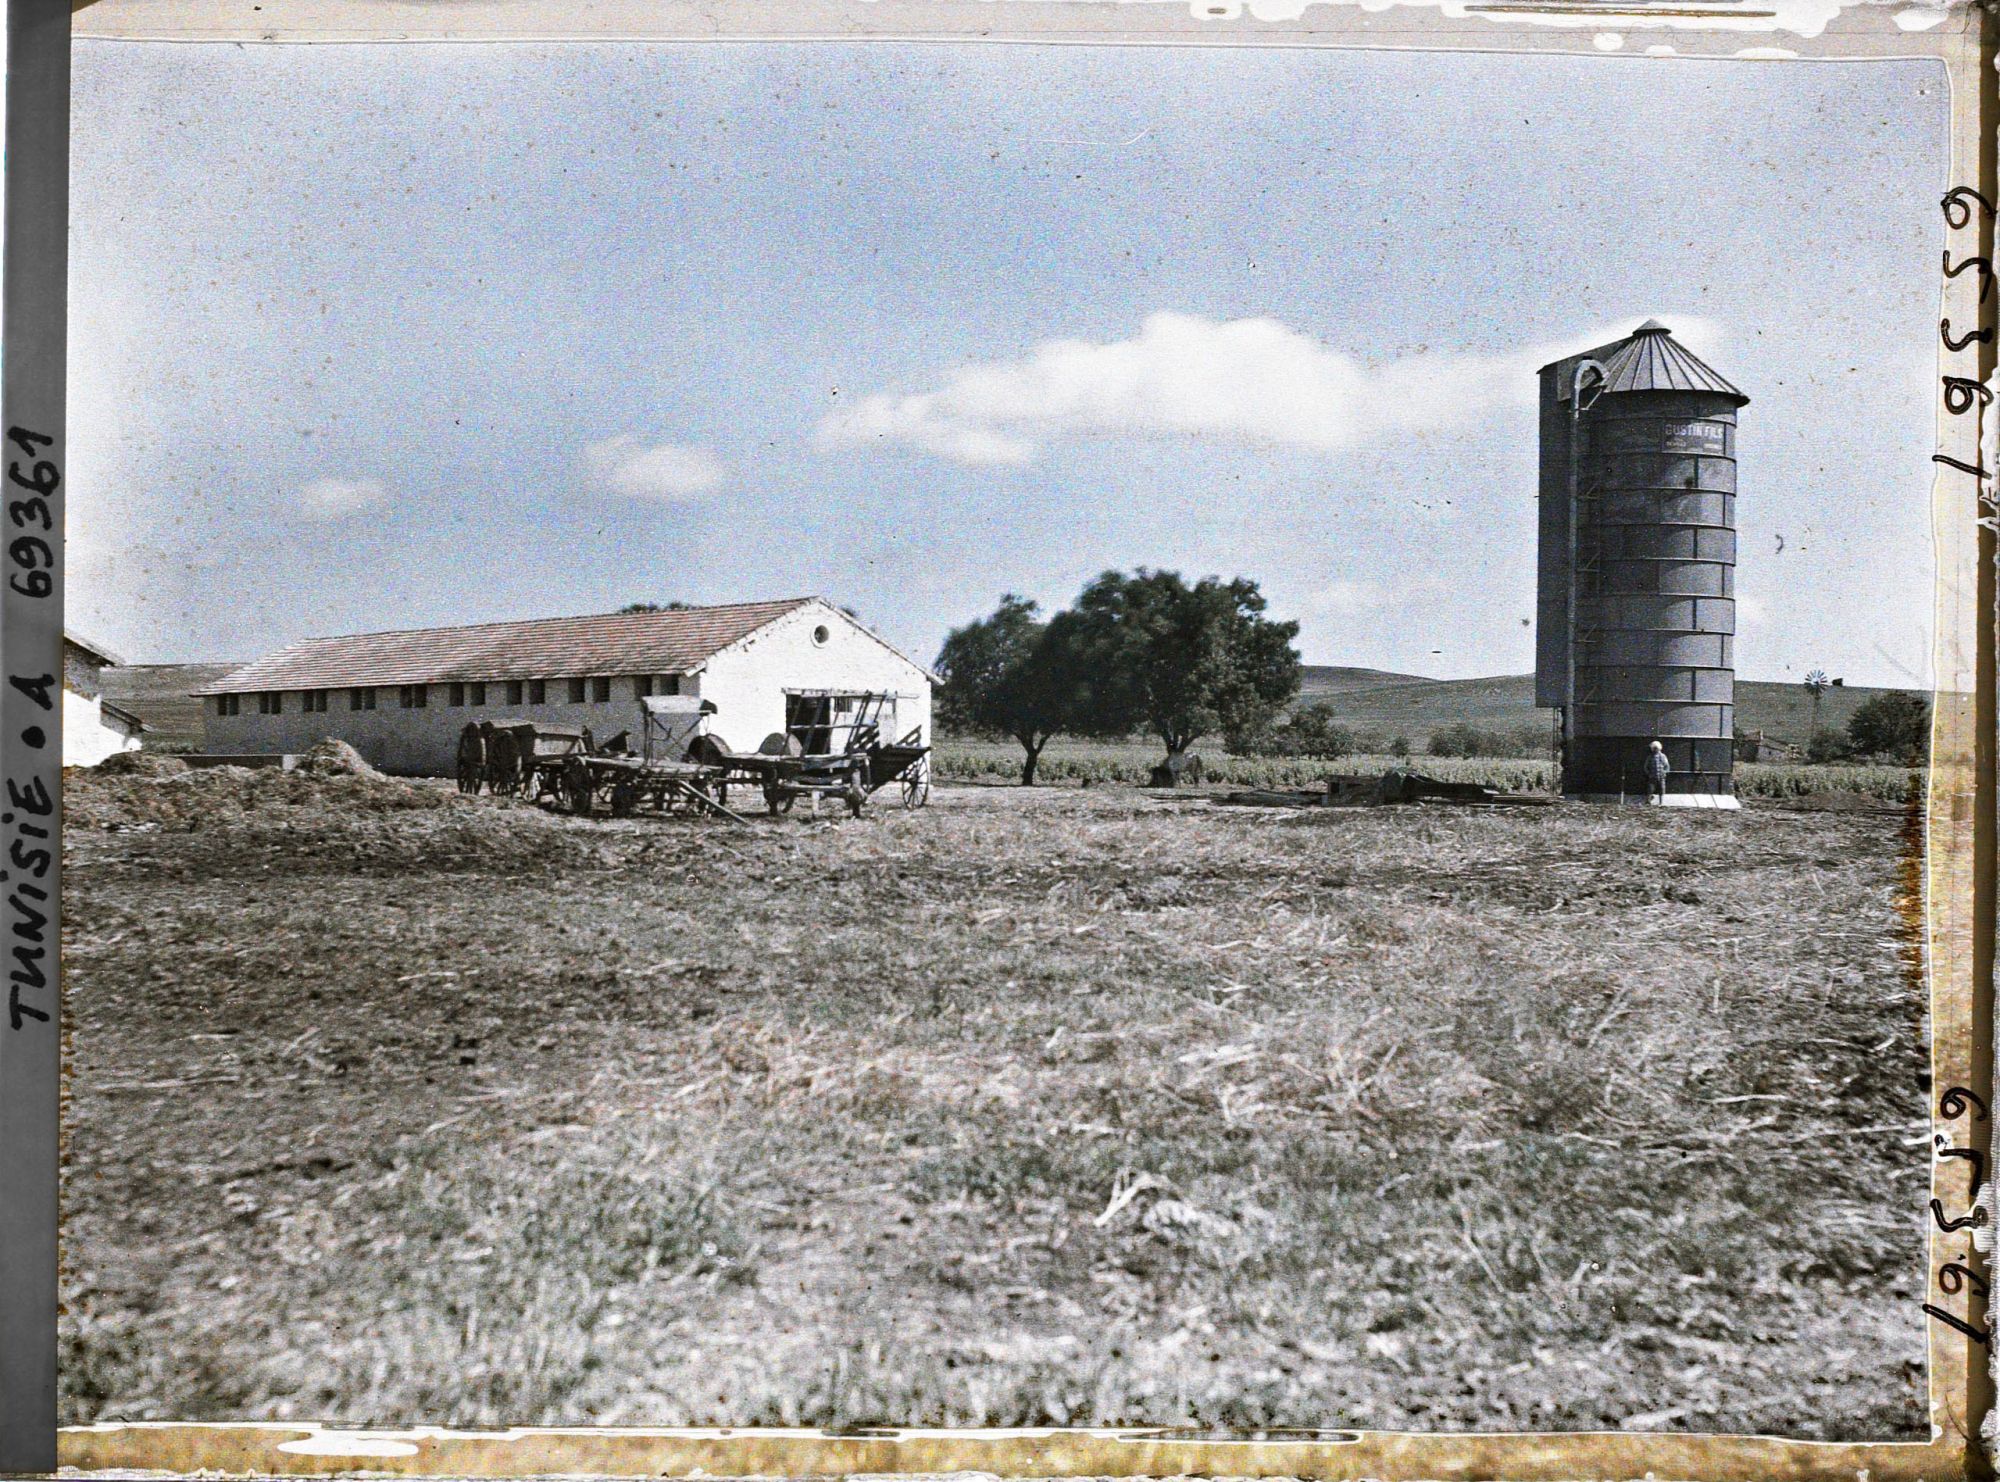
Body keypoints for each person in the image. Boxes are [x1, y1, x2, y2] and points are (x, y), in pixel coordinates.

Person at [1644, 739, 1670, 803]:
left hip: (1661, 776)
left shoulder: (1663, 756)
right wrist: (1648, 773)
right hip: (1652, 776)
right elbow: (1646, 766)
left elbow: (1667, 766)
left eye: (1656, 748)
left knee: (1661, 789)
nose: (1655, 749)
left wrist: (1665, 772)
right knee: (1650, 789)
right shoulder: (1650, 757)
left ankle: (1661, 802)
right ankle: (1648, 800)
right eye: (1654, 748)